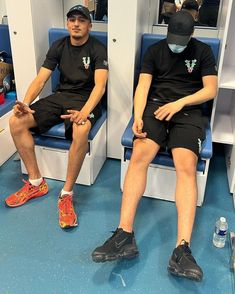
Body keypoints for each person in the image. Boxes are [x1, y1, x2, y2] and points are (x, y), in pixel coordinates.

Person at [92, 10, 217, 282]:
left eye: (181, 40)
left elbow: (210, 89)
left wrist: (181, 103)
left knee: (186, 165)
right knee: (139, 154)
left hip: (187, 111)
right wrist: (137, 117)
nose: (175, 44)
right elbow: (143, 86)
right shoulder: (155, 51)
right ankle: (124, 235)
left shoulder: (204, 51)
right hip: (157, 108)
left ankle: (181, 250)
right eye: (172, 38)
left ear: (191, 35)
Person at [5, 5, 108, 229]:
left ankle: (66, 194)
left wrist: (84, 112)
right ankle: (36, 182)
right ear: (68, 23)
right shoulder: (58, 45)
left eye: (82, 20)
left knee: (81, 128)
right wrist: (26, 103)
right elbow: (41, 79)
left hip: (86, 100)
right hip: (61, 96)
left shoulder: (98, 49)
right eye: (72, 20)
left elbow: (99, 87)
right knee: (16, 121)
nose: (76, 24)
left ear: (90, 25)